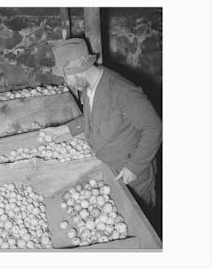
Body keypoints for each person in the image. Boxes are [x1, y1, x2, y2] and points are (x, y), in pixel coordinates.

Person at [44, 38, 162, 211]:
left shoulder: (121, 90)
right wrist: (61, 131)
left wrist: (134, 167)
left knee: (141, 222)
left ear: (78, 69)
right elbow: (92, 119)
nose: (67, 83)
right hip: (110, 170)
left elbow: (154, 127)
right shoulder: (90, 87)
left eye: (66, 77)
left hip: (131, 177)